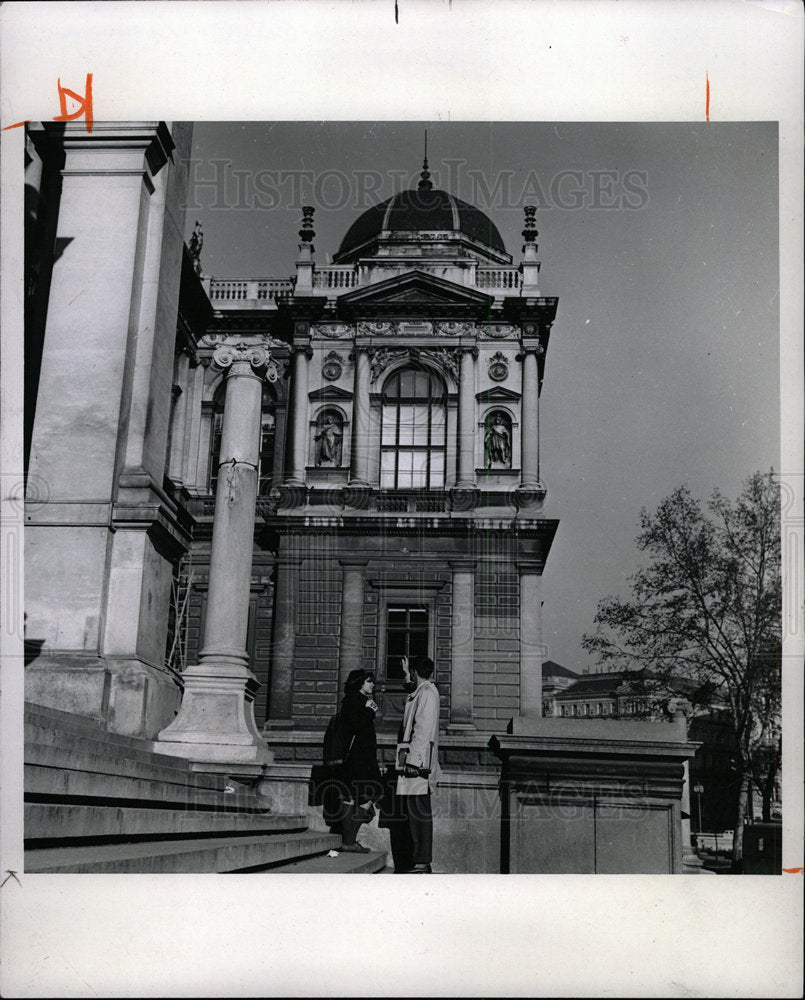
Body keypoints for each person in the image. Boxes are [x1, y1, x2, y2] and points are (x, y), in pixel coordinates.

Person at [395, 654, 441, 873]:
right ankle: (420, 860)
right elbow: (412, 692)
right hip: (417, 761)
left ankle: (422, 861)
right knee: (414, 812)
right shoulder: (424, 691)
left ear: (415, 671)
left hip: (418, 764)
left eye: (411, 672)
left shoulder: (428, 694)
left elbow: (422, 728)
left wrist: (413, 760)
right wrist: (406, 676)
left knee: (418, 813)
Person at [337, 668, 382, 853]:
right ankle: (349, 841)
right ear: (359, 683)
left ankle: (348, 839)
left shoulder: (355, 700)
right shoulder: (354, 700)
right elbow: (356, 725)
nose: (373, 685)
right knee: (370, 792)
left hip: (359, 757)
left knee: (352, 795)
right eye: (369, 681)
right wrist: (370, 711)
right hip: (360, 758)